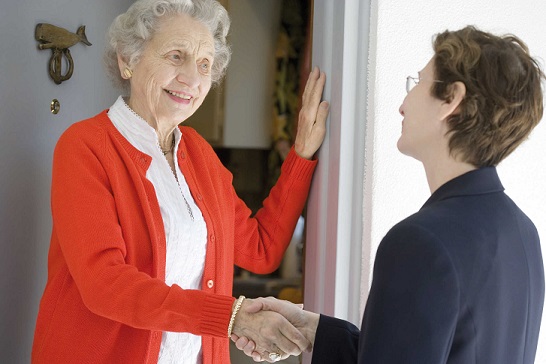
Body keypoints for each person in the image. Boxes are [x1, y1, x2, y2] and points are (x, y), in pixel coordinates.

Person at [31, 0, 330, 363]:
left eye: (204, 64)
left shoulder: (199, 155)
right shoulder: (85, 147)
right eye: (176, 56)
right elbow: (105, 285)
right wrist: (232, 319)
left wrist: (300, 155)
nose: (192, 78)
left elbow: (260, 249)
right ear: (128, 60)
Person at [233, 25, 545, 363]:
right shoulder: (523, 232)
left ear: (451, 99)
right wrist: (313, 329)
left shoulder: (420, 242)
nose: (403, 105)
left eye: (418, 84)